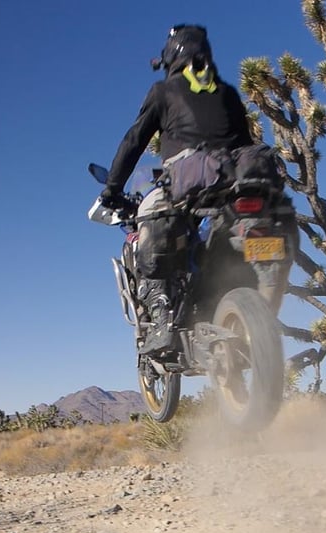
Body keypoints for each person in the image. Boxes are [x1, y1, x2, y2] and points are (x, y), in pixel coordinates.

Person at [100, 24, 254, 356]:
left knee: (150, 213)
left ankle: (161, 317)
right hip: (236, 183)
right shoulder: (228, 93)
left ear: (171, 57)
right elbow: (246, 143)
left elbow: (134, 141)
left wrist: (112, 189)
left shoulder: (163, 91)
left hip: (189, 183)